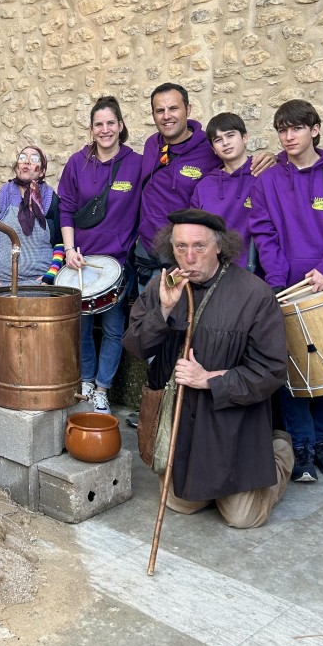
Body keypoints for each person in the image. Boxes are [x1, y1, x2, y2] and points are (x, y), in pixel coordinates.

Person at [123, 209, 292, 528]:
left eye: (199, 246)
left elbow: (272, 371)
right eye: (180, 247)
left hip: (230, 424)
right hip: (180, 423)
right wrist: (164, 310)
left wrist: (209, 379)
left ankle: (280, 452)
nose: (188, 257)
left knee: (243, 518)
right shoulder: (162, 285)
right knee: (179, 504)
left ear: (219, 247)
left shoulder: (254, 294)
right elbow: (136, 346)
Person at [249, 99, 323, 483]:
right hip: (287, 287)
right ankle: (302, 446)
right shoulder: (267, 181)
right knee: (292, 369)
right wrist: (278, 281)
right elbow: (263, 232)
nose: (288, 136)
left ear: (314, 129)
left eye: (296, 128)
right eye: (282, 129)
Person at [136, 83, 273, 288]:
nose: (167, 116)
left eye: (173, 108)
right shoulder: (151, 145)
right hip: (147, 253)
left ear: (188, 110)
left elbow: (235, 160)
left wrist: (275, 158)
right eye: (160, 110)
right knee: (149, 317)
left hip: (183, 257)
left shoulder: (207, 148)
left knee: (182, 316)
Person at [58, 96, 143, 414]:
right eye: (99, 124)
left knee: (111, 328)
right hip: (80, 261)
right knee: (79, 326)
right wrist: (68, 250)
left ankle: (103, 388)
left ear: (120, 126)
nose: (105, 129)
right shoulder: (77, 163)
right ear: (92, 129)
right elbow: (65, 209)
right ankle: (86, 381)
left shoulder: (137, 163)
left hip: (117, 264)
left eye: (111, 123)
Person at [0, 145, 62, 286]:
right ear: (16, 167)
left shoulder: (50, 198)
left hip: (39, 285)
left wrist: (50, 276)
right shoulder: (3, 195)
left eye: (34, 159)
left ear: (42, 171)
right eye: (22, 158)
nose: (27, 162)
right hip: (2, 285)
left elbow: (59, 243)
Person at [192, 112, 259, 271]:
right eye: (218, 140)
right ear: (213, 149)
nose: (225, 143)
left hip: (255, 273)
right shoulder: (203, 187)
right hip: (214, 273)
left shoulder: (263, 176)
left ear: (245, 138)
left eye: (230, 135)